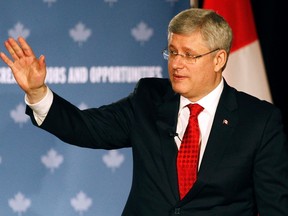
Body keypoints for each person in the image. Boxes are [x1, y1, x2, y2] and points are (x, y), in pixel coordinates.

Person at [1, 8, 288, 216]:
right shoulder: (149, 99)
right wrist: (37, 92)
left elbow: (274, 206)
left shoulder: (259, 120)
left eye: (189, 55)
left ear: (219, 59)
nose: (176, 64)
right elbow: (85, 127)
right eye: (172, 52)